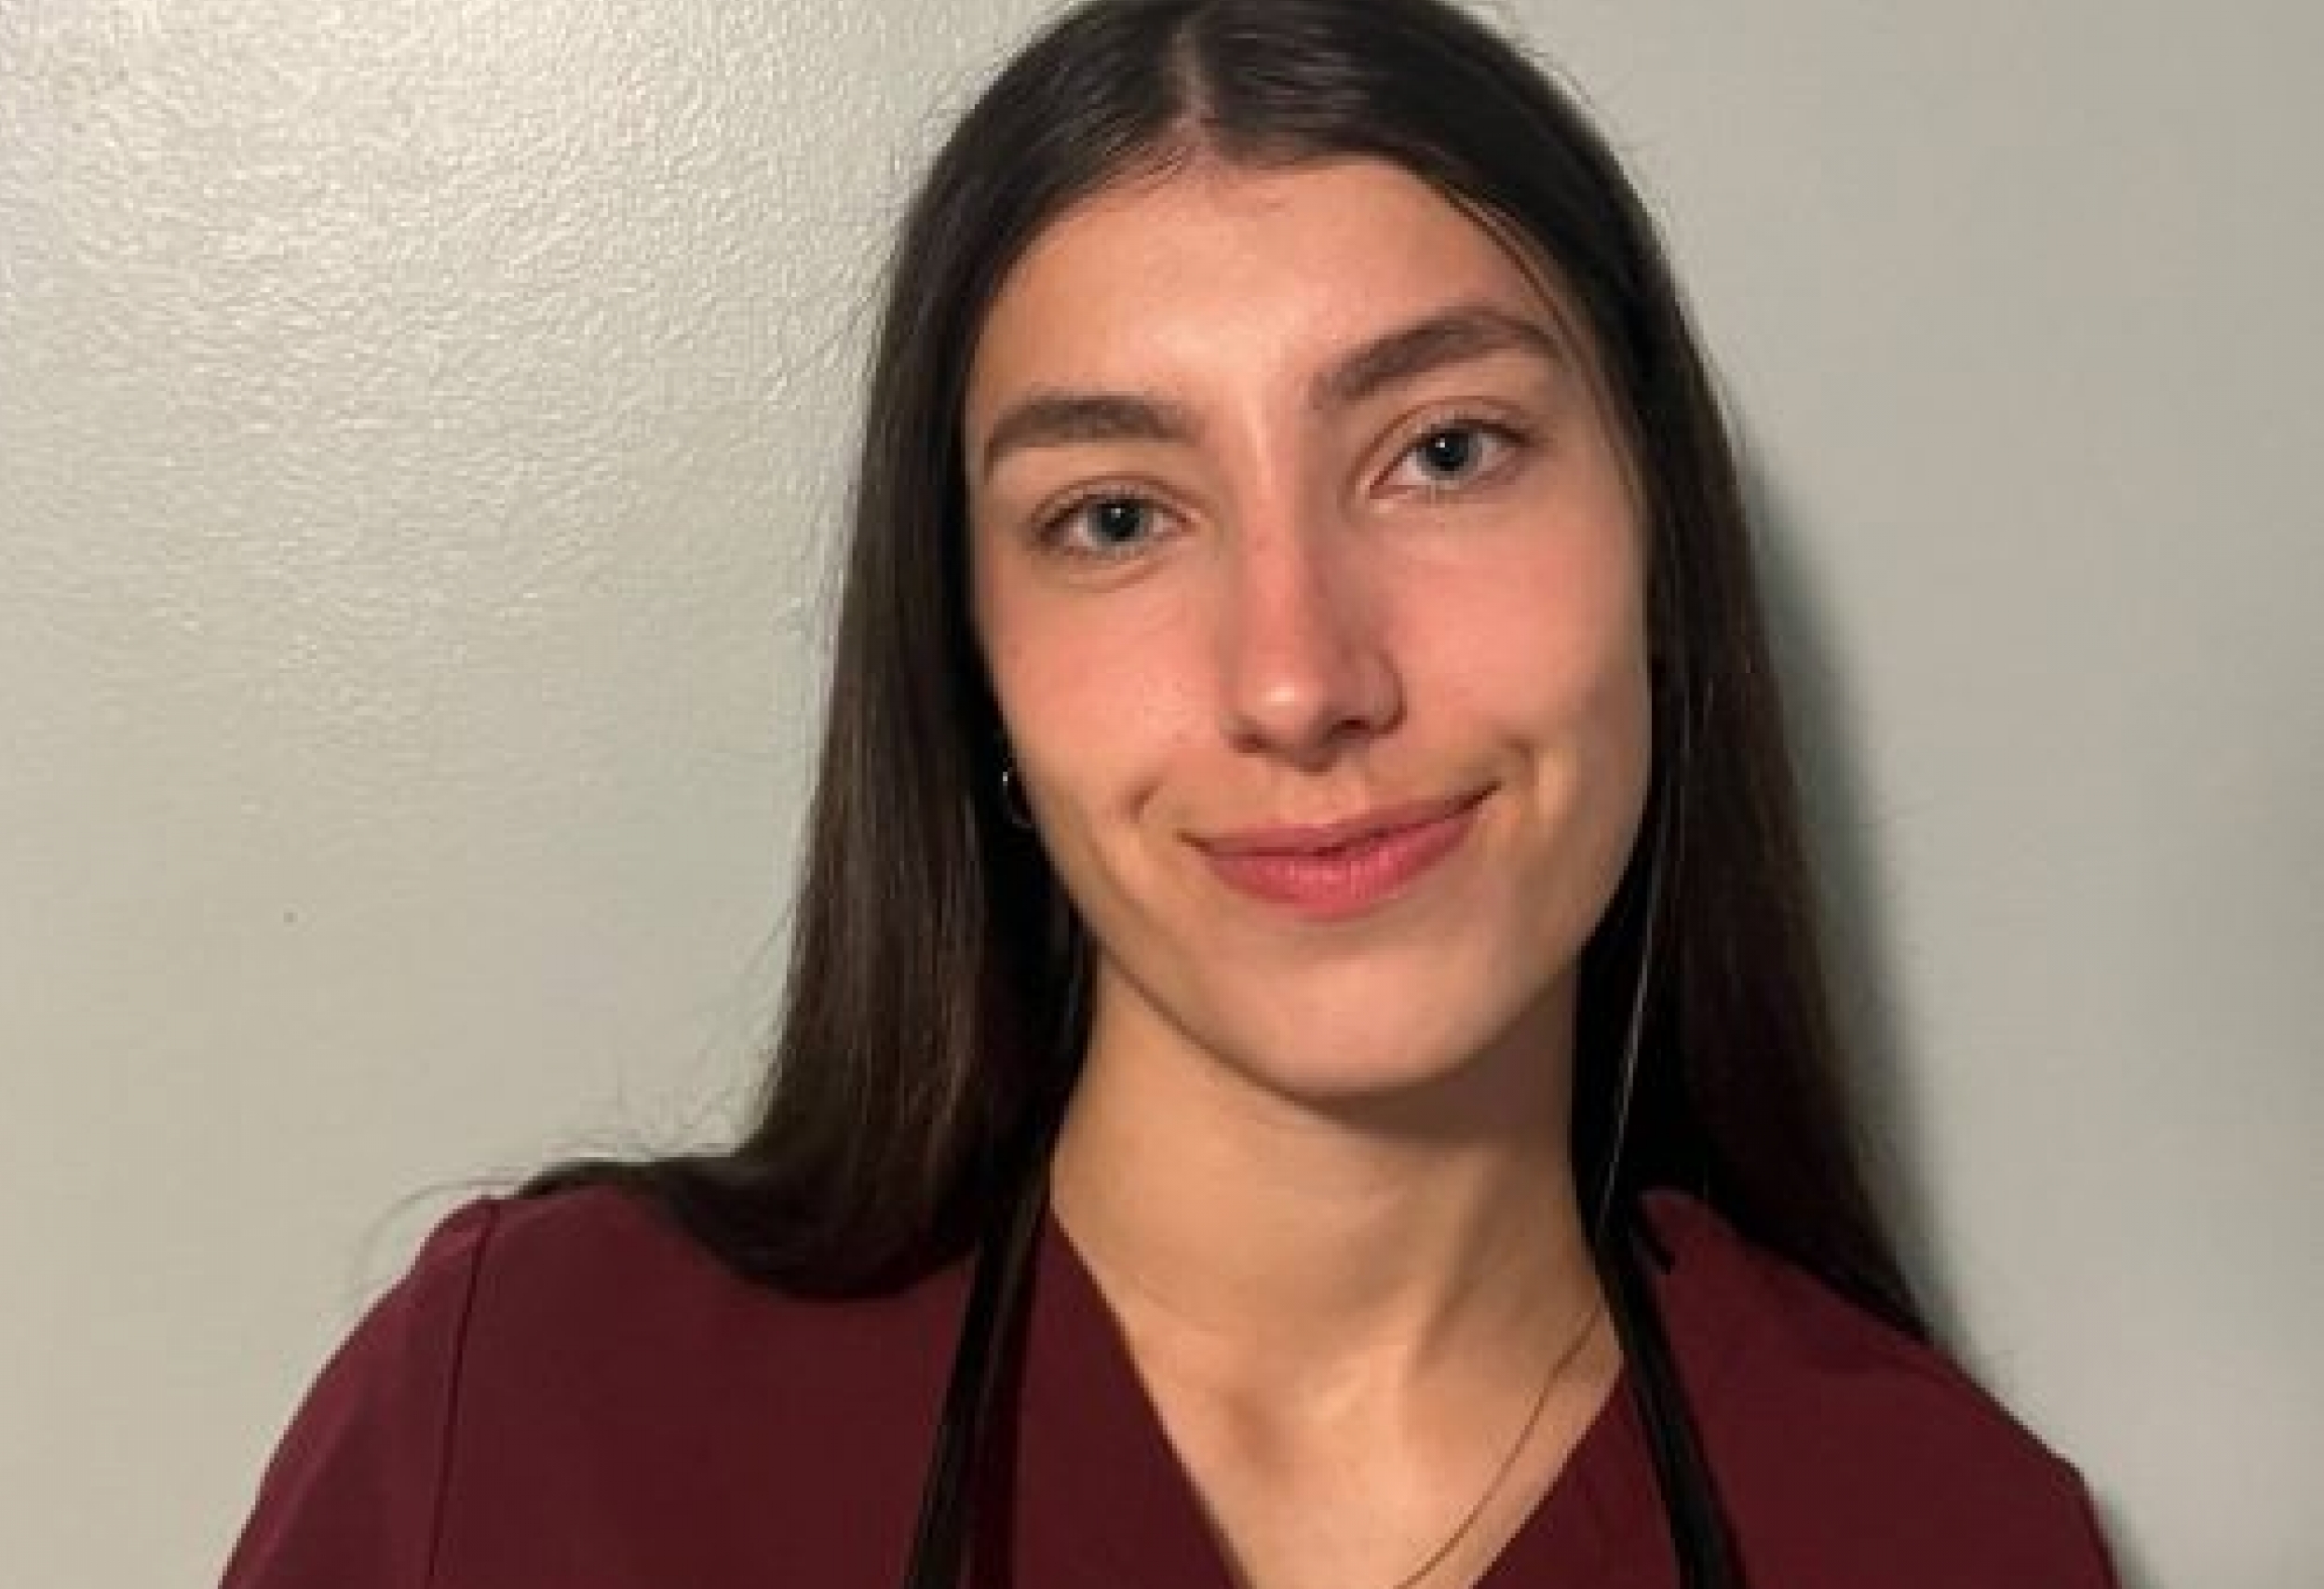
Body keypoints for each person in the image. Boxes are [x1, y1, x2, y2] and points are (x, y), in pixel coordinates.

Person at [220, 2, 2124, 1585]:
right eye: (1116, 517)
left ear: (1659, 553)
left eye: (1445, 451)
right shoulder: (533, 1411)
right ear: (971, 661)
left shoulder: (1938, 1534)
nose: (1298, 679)